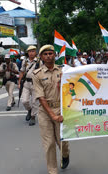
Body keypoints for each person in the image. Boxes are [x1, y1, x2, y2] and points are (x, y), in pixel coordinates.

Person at [33, 45, 70, 174]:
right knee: (49, 144)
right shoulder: (37, 74)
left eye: (51, 53)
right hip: (45, 111)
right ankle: (52, 170)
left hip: (61, 109)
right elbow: (41, 98)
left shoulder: (63, 72)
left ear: (55, 55)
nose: (48, 56)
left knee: (63, 142)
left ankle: (65, 155)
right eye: (45, 54)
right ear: (42, 57)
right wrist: (52, 115)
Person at [18, 45, 41, 126]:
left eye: (33, 51)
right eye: (30, 51)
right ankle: (29, 110)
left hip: (35, 83)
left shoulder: (39, 61)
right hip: (26, 83)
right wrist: (19, 82)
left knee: (35, 102)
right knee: (24, 101)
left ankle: (33, 117)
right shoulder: (25, 61)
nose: (31, 53)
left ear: (35, 52)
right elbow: (22, 72)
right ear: (28, 53)